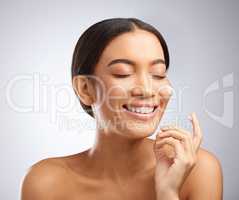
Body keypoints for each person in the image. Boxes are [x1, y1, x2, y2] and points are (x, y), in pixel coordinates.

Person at [21, 18, 223, 200]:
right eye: (123, 73)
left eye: (158, 74)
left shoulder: (199, 170)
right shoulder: (46, 182)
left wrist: (168, 192)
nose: (146, 89)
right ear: (85, 88)